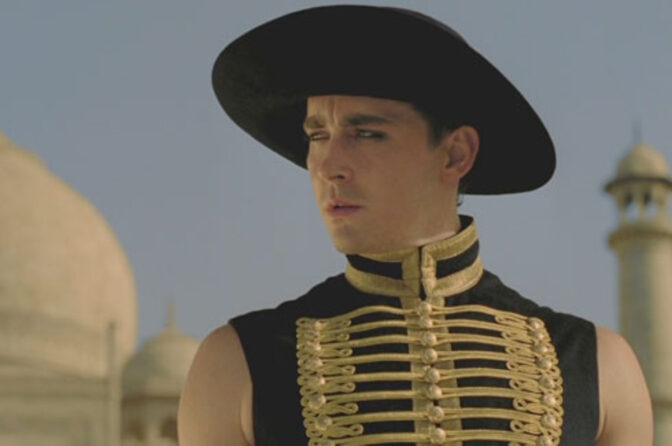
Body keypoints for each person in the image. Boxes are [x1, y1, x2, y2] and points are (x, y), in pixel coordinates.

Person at [178, 5, 653, 446]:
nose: (328, 166)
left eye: (366, 133)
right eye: (317, 135)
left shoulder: (600, 367)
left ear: (455, 154)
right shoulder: (236, 365)